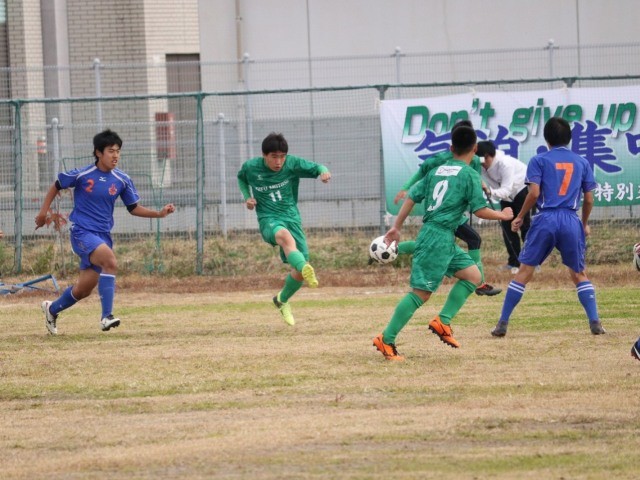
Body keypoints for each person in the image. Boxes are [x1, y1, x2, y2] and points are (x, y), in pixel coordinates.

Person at [373, 125, 513, 361]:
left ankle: (442, 321)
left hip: (443, 236)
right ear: (475, 149)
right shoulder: (469, 174)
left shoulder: (437, 171)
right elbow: (479, 210)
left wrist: (397, 226)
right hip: (437, 237)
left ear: (451, 148)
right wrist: (503, 215)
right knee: (420, 294)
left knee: (473, 276)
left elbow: (412, 197)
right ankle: (386, 340)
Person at [36, 129, 175, 335]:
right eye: (111, 151)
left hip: (102, 236)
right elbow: (56, 185)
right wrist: (42, 213)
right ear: (98, 153)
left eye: (118, 151)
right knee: (110, 261)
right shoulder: (83, 174)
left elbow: (134, 208)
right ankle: (106, 317)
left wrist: (159, 213)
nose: (115, 155)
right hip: (81, 232)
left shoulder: (122, 179)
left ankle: (52, 309)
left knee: (83, 290)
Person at [491, 117, 605, 338]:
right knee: (579, 273)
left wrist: (521, 216)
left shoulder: (538, 160)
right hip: (571, 219)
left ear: (546, 139)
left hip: (545, 218)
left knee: (524, 272)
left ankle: (502, 323)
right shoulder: (582, 163)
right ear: (569, 138)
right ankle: (595, 322)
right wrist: (583, 223)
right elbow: (589, 199)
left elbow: (533, 194)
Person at [393, 120, 501, 297]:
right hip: (447, 215)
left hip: (445, 215)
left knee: (434, 244)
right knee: (473, 239)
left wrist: (481, 184)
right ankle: (479, 283)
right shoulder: (456, 160)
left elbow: (471, 177)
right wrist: (501, 215)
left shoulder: (444, 160)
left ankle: (393, 249)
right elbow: (422, 175)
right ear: (473, 146)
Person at [237, 132, 331, 326]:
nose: (279, 161)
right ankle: (305, 267)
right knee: (284, 236)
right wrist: (247, 197)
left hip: (291, 217)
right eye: (274, 157)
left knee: (298, 269)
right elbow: (241, 178)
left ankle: (282, 299)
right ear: (264, 155)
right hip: (268, 219)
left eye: (282, 156)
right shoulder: (251, 167)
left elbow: (317, 167)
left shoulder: (292, 164)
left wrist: (324, 171)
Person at [476, 140, 530, 273]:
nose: (482, 164)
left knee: (525, 226)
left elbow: (506, 188)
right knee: (507, 226)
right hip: (505, 196)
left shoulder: (505, 164)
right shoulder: (482, 165)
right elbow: (502, 192)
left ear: (489, 155)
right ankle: (514, 262)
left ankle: (531, 262)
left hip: (520, 191)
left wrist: (490, 192)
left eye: (483, 159)